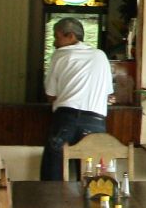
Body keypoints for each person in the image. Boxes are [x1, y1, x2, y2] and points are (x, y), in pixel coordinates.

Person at [41, 17, 114, 181]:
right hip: (95, 122)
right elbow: (108, 94)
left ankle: (50, 198)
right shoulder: (100, 56)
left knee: (53, 175)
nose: (54, 43)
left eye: (57, 37)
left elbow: (50, 94)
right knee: (92, 178)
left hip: (66, 119)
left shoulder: (60, 55)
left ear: (71, 36)